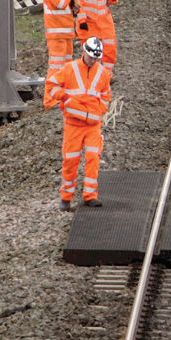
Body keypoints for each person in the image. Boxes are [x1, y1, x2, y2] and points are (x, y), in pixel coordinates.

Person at [49, 35, 112, 211]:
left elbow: (106, 96)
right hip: (73, 125)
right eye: (91, 57)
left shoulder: (103, 73)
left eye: (96, 58)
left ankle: (90, 195)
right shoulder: (69, 69)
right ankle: (66, 198)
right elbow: (52, 86)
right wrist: (65, 98)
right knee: (70, 160)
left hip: (92, 125)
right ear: (84, 51)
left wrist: (98, 110)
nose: (93, 61)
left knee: (93, 158)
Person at [42, 0, 78, 89]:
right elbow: (61, 3)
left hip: (66, 34)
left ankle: (63, 93)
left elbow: (66, 7)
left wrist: (74, 7)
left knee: (66, 67)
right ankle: (51, 97)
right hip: (57, 36)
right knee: (56, 67)